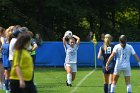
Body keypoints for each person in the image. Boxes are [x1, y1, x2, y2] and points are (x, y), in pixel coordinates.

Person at [1, 28, 12, 93]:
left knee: (6, 76)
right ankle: (8, 88)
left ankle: (7, 88)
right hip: (9, 62)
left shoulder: (4, 44)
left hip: (5, 62)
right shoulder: (10, 45)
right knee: (9, 76)